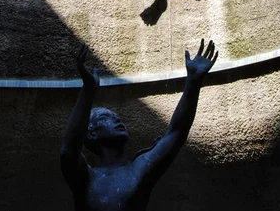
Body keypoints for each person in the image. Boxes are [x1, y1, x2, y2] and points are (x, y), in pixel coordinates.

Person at [61, 39, 219, 211]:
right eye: (107, 118)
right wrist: (88, 90)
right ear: (91, 133)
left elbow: (177, 132)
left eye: (116, 117)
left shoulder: (140, 168)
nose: (118, 120)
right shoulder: (87, 178)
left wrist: (193, 82)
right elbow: (68, 150)